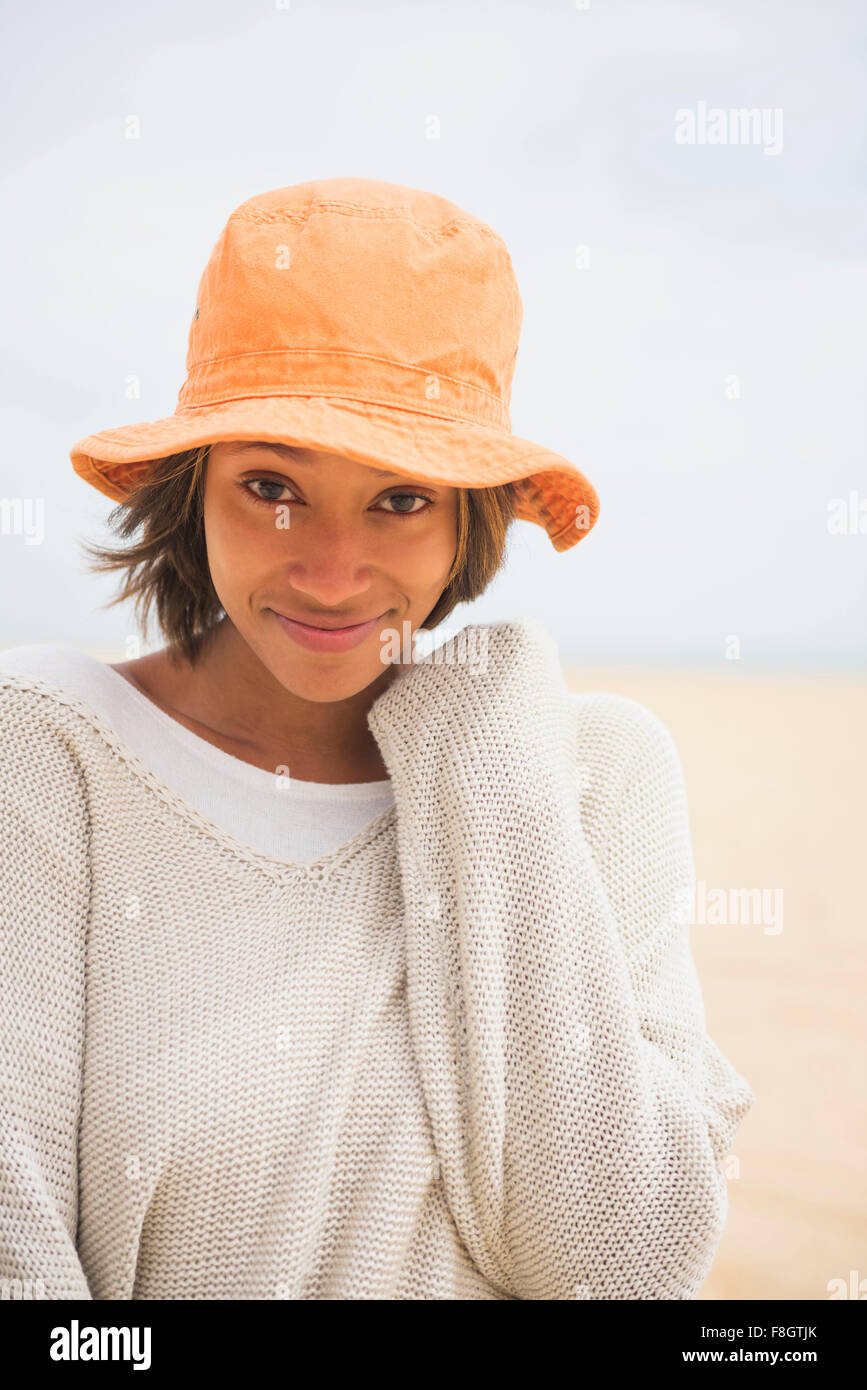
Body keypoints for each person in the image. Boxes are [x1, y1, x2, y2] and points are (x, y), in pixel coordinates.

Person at [0, 177, 753, 1301]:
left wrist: (483, 750)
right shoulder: (53, 749)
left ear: (469, 517)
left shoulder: (595, 775)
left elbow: (623, 1266)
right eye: (272, 487)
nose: (330, 571)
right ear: (191, 492)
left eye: (400, 498)